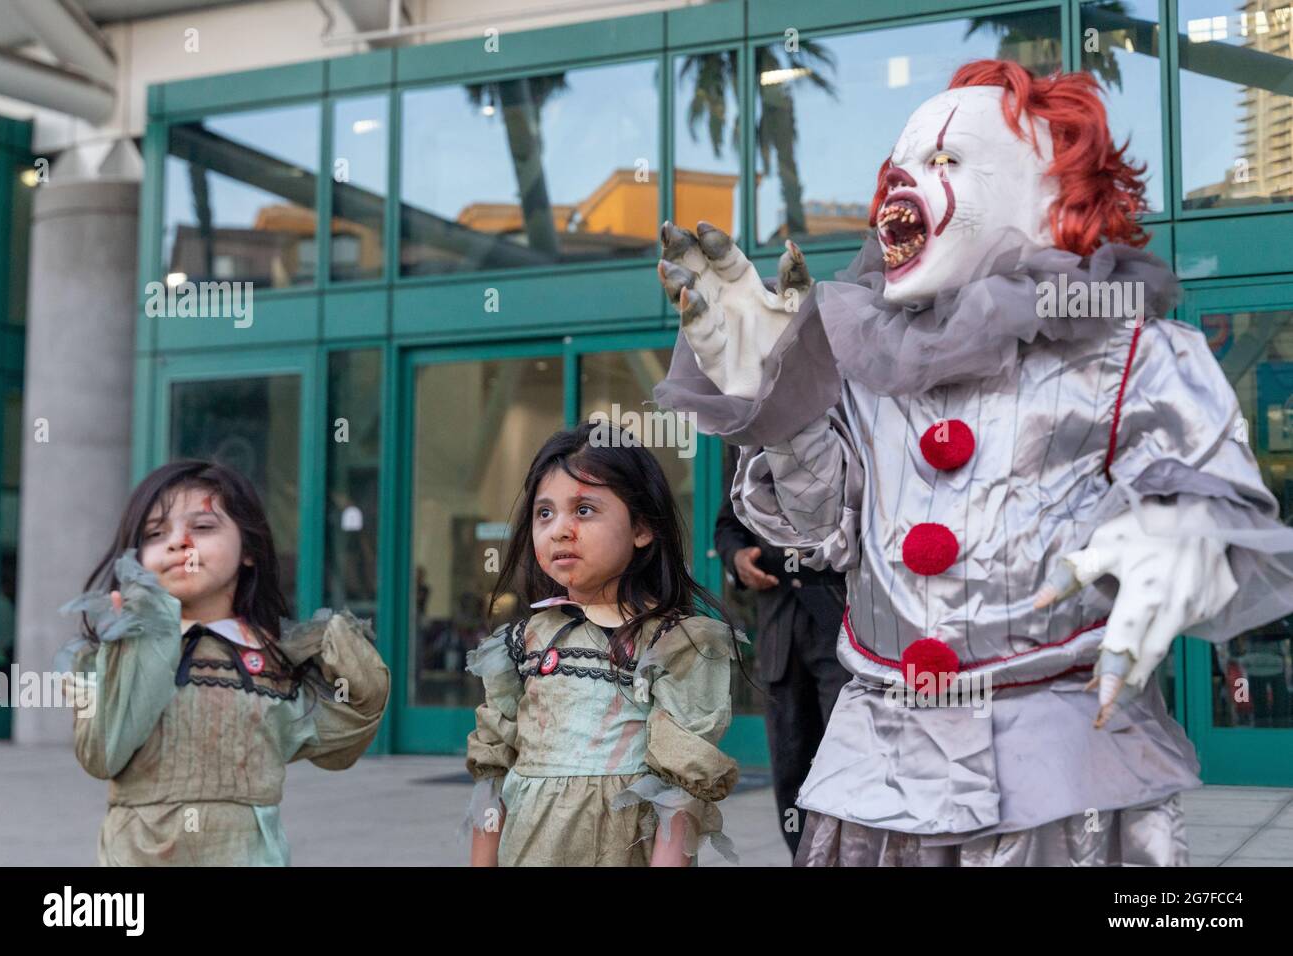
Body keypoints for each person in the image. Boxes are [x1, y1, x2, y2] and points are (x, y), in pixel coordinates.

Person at [652, 60, 1293, 865]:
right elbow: (825, 531)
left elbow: (1222, 508)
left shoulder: (1133, 352)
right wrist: (779, 413)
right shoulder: (860, 361)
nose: (907, 182)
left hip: (1060, 775)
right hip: (879, 765)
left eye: (947, 162)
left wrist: (1181, 541)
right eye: (901, 166)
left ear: (1053, 199)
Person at [62, 459, 390, 866]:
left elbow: (339, 740)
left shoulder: (271, 658)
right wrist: (142, 638)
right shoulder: (111, 654)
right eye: (155, 533)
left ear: (248, 551)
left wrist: (353, 667)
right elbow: (102, 753)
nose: (179, 542)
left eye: (202, 527)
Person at [465, 421, 743, 866]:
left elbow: (681, 793)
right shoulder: (520, 644)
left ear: (642, 528)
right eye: (545, 513)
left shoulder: (673, 643)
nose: (560, 530)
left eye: (585, 510)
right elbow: (492, 775)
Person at [714, 478, 846, 857]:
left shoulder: (846, 426)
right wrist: (738, 559)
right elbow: (728, 526)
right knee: (791, 774)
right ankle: (803, 858)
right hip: (779, 635)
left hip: (841, 625)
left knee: (848, 762)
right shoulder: (751, 443)